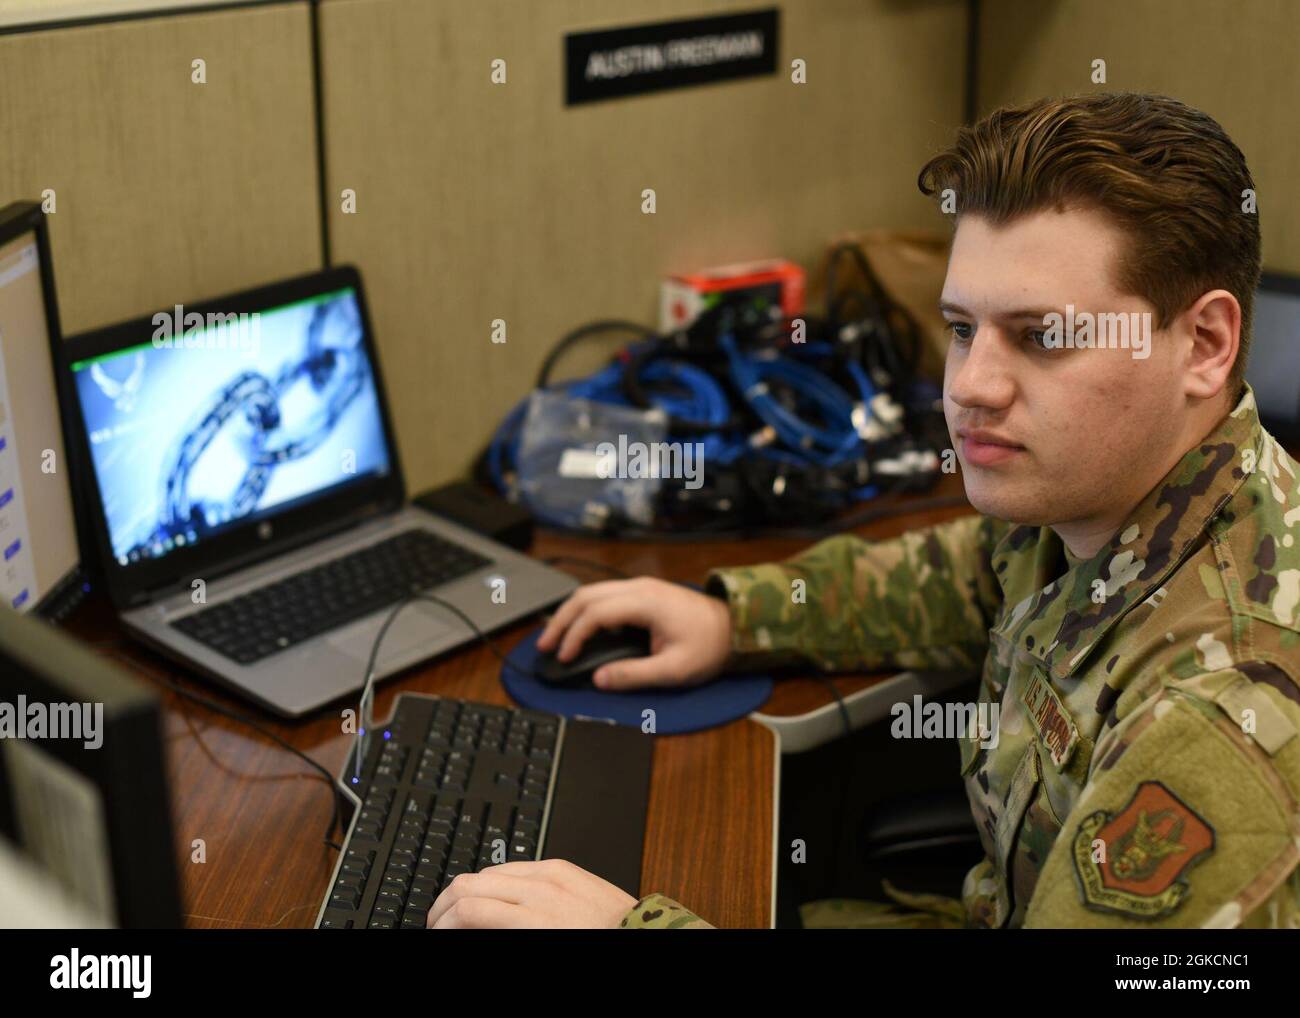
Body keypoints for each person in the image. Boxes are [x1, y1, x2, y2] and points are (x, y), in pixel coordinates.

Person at [426, 91, 1300, 930]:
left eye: (1043, 337)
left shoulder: (1216, 724)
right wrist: (734, 617)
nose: (970, 388)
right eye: (963, 329)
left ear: (1204, 344)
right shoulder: (1106, 497)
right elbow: (969, 570)